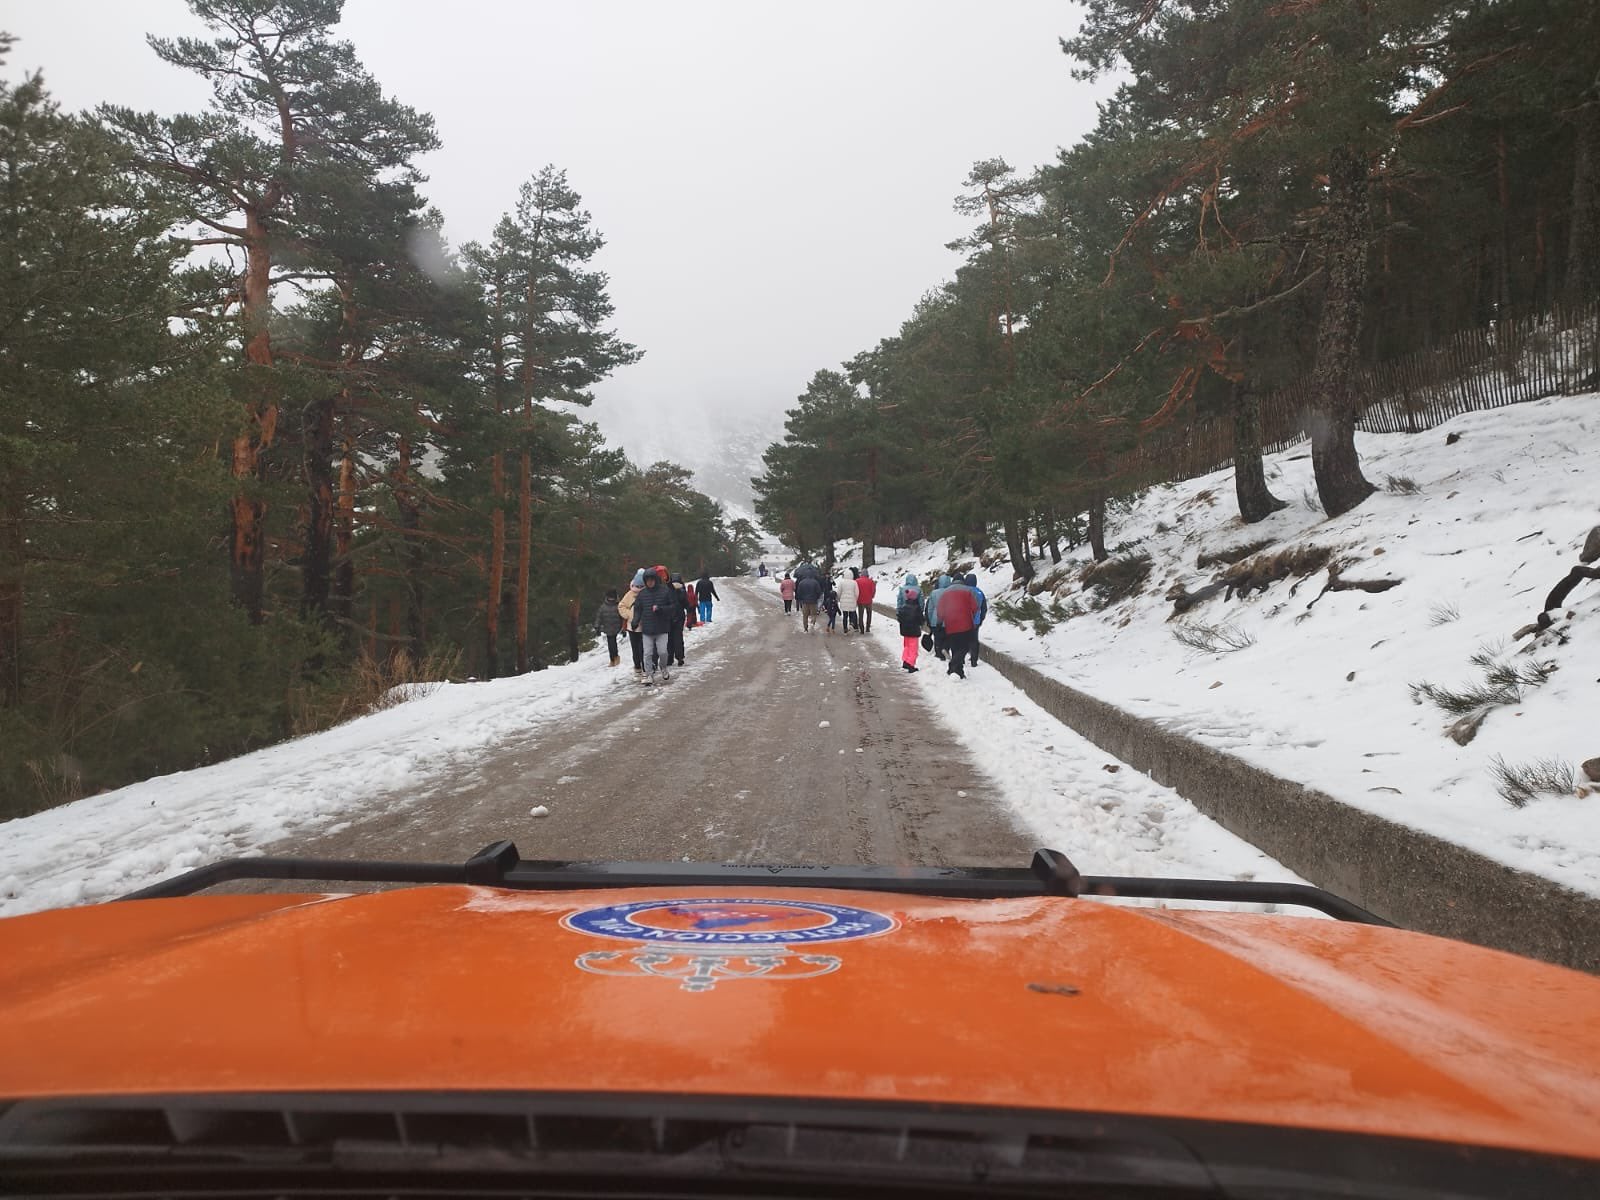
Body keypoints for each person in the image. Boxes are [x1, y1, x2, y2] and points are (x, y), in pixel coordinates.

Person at [635, 569, 677, 684]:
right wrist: (635, 620)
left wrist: (661, 609)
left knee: (663, 652)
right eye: (647, 580)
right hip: (647, 630)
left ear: (655, 580)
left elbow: (673, 607)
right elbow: (637, 609)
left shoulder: (665, 591)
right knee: (647, 653)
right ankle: (649, 674)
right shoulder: (642, 594)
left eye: (651, 580)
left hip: (662, 628)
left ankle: (663, 667)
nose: (649, 582)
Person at [938, 574, 981, 680]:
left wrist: (940, 621)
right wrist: (974, 621)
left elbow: (940, 610)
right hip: (965, 625)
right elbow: (975, 608)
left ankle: (958, 671)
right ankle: (953, 665)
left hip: (950, 624)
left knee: (955, 647)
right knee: (964, 648)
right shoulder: (969, 591)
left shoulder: (945, 592)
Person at [618, 569, 646, 679]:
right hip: (633, 627)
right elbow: (621, 606)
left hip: (645, 626)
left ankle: (644, 667)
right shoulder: (630, 595)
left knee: (643, 648)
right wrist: (630, 616)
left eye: (641, 586)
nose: (638, 589)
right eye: (637, 586)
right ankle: (638, 667)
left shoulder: (647, 593)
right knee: (636, 649)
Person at [896, 576, 924, 672]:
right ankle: (910, 664)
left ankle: (905, 660)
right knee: (913, 647)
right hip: (914, 630)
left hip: (905, 629)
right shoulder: (917, 607)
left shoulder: (903, 606)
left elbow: (899, 606)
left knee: (907, 645)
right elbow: (921, 618)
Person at [924, 573, 953, 660]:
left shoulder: (934, 593)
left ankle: (938, 653)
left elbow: (930, 608)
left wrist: (929, 619)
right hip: (948, 619)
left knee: (938, 637)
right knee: (948, 636)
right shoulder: (951, 592)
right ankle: (945, 649)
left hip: (936, 619)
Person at [593, 588, 624, 667]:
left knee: (613, 643)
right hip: (608, 627)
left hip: (617, 627)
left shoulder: (619, 605)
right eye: (610, 597)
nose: (611, 599)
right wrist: (597, 626)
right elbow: (599, 617)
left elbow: (623, 617)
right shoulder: (603, 607)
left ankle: (615, 657)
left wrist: (624, 628)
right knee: (611, 644)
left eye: (612, 597)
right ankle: (613, 659)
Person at [667, 572, 691, 667]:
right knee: (678, 637)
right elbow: (686, 604)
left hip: (669, 617)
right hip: (680, 617)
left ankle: (669, 658)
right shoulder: (682, 590)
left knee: (669, 638)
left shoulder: (667, 590)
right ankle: (680, 657)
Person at [964, 573, 987, 667]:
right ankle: (974, 660)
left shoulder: (964, 591)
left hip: (964, 620)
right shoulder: (980, 592)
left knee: (964, 638)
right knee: (974, 640)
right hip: (976, 621)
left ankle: (962, 657)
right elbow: (984, 608)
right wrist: (981, 618)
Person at [841, 567, 861, 633]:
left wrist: (839, 598)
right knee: (853, 613)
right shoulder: (855, 582)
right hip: (852, 600)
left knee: (845, 615)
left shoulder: (842, 582)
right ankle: (853, 624)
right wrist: (855, 599)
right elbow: (857, 593)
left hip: (844, 601)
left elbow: (839, 592)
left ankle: (845, 629)